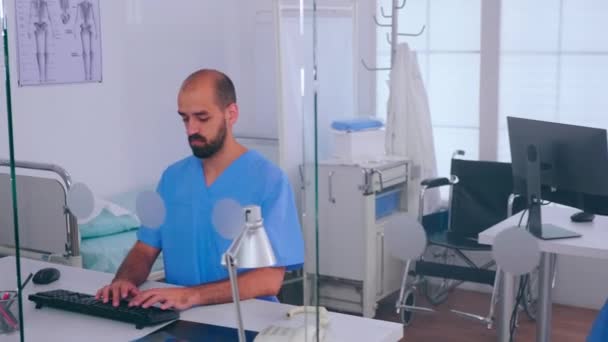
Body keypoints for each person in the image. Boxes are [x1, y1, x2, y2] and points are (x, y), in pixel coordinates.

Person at [96, 69, 304, 311]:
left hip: (245, 319)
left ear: (231, 114)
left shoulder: (268, 180)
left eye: (202, 118)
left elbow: (269, 279)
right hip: (182, 321)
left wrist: (190, 296)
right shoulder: (172, 178)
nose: (191, 129)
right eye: (185, 118)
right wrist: (124, 280)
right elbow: (145, 248)